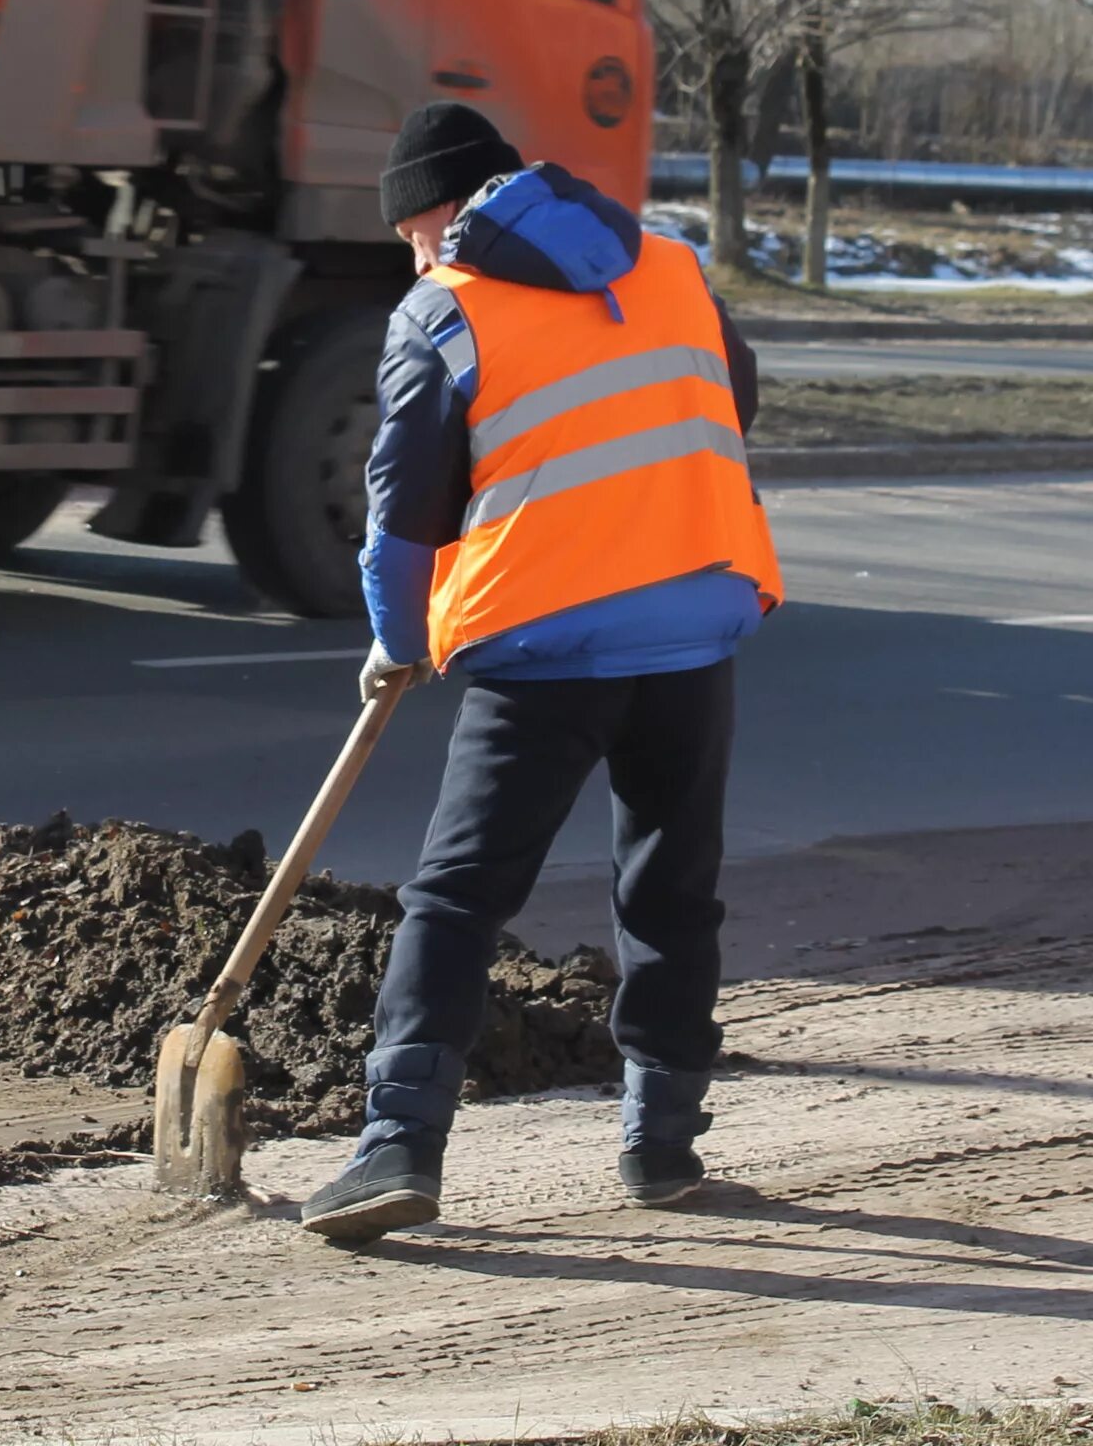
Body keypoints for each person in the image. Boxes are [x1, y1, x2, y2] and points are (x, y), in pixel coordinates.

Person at [299, 100, 781, 1247]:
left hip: (545, 638)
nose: (412, 255)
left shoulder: (444, 309)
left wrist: (397, 637)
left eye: (412, 232)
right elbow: (733, 399)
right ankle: (662, 1144)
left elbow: (401, 516)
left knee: (457, 894)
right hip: (694, 619)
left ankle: (396, 1145)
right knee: (671, 884)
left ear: (440, 213)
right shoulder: (670, 265)